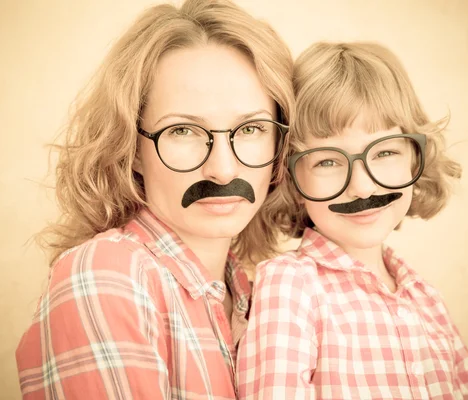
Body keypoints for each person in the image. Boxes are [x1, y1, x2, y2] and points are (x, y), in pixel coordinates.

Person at [15, 0, 293, 398]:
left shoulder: (255, 293)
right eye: (182, 131)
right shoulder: (108, 275)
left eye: (251, 128)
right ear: (130, 149)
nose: (224, 169)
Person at [237, 42, 468, 399]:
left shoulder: (426, 297)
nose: (362, 186)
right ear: (291, 177)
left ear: (415, 159)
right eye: (327, 162)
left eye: (384, 152)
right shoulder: (291, 286)